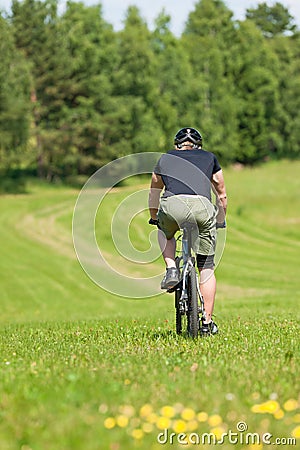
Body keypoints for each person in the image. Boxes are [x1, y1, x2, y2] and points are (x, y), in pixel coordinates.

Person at [148, 127, 227, 335]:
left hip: (173, 206)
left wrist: (154, 217)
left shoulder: (165, 158)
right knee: (207, 267)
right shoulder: (210, 158)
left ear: (177, 145)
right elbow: (221, 192)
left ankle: (171, 268)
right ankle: (207, 323)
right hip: (202, 207)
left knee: (164, 231)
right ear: (199, 144)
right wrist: (220, 219)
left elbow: (154, 190)